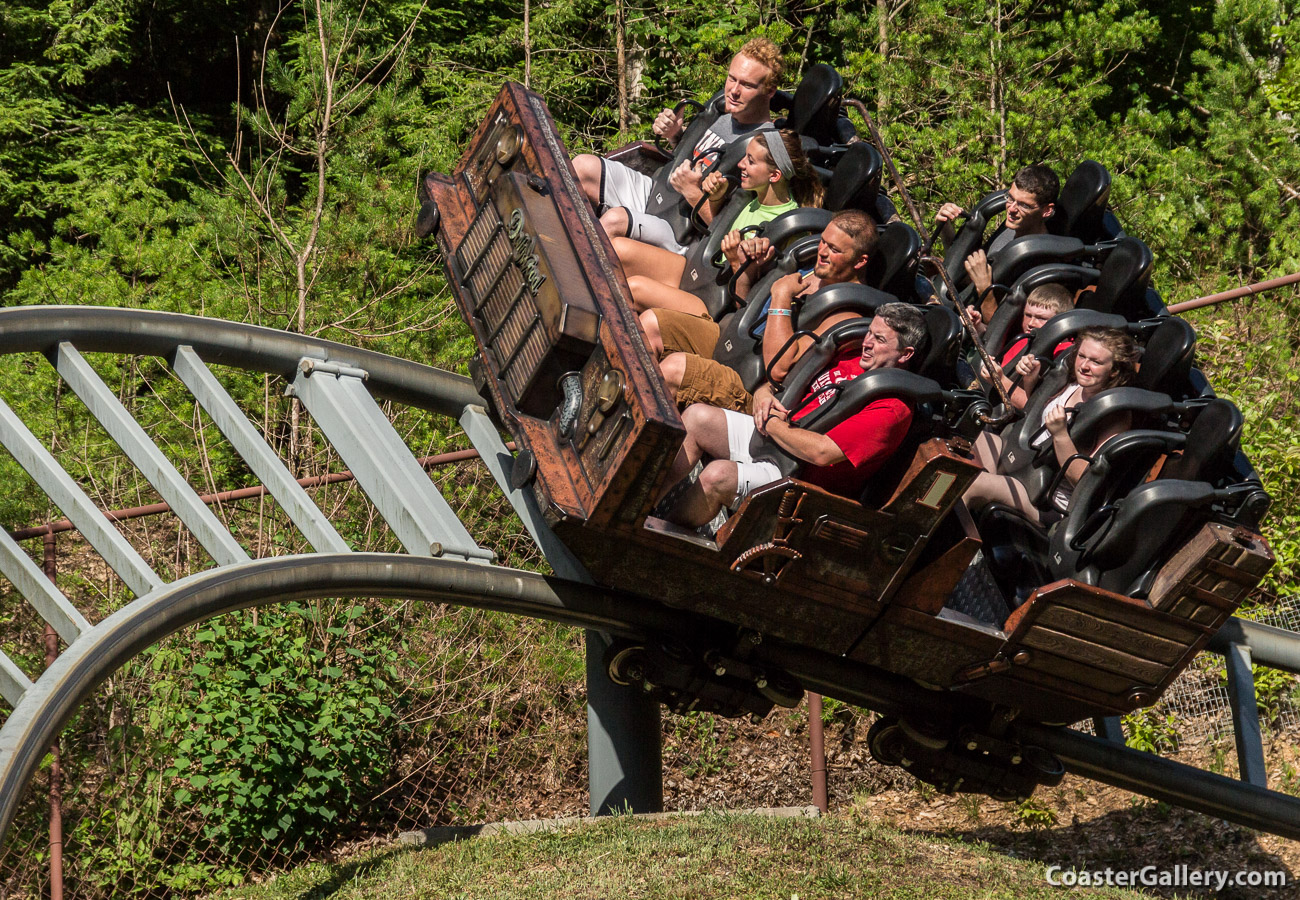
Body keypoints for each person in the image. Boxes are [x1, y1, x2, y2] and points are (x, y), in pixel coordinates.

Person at [660, 302, 926, 528]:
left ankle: (663, 533)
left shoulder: (893, 408)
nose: (867, 343)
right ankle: (647, 502)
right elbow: (780, 381)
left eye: (879, 340)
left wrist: (772, 425)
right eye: (869, 333)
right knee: (696, 418)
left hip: (797, 478)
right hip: (773, 438)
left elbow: (822, 453)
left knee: (717, 476)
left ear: (905, 354)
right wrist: (764, 396)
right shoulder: (851, 356)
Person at [648, 210, 878, 414]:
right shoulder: (813, 267)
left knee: (674, 369)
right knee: (652, 323)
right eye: (823, 241)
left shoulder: (845, 313)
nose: (823, 252)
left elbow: (778, 370)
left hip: (749, 384)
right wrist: (745, 267)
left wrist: (781, 296)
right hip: (734, 344)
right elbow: (744, 308)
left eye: (834, 249)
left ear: (860, 261)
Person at [572, 39, 783, 243]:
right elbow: (694, 157)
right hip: (658, 191)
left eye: (747, 85)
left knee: (614, 221)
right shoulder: (722, 111)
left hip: (681, 230)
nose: (734, 91)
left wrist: (692, 192)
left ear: (770, 91)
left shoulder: (761, 149)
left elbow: (728, 232)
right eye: (731, 78)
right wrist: (674, 134)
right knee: (581, 166)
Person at [616, 128, 822, 301]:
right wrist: (715, 198)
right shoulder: (750, 197)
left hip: (713, 298)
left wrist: (735, 261)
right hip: (698, 269)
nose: (740, 164)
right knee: (618, 249)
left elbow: (752, 300)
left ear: (774, 175)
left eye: (750, 161)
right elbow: (717, 229)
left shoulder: (787, 227)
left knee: (635, 288)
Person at [963, 326, 1140, 524]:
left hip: (1046, 497)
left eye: (1096, 362)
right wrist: (1031, 380)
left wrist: (1061, 436)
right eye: (1082, 356)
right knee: (964, 440)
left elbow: (1084, 480)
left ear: (1115, 371)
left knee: (969, 485)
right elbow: (1033, 418)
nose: (1084, 365)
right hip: (1024, 463)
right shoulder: (1075, 384)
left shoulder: (1114, 415)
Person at [934, 164, 1060, 313]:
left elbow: (1004, 327)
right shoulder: (1010, 228)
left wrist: (984, 287)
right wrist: (944, 226)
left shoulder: (1040, 262)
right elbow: (961, 273)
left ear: (1046, 211)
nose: (1011, 209)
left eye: (1024, 205)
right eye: (1010, 198)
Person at [983, 282, 1075, 410]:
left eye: (1041, 318)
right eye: (1027, 315)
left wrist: (1000, 380)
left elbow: (1034, 409)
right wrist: (977, 327)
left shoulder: (1064, 356)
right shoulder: (1025, 338)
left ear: (1060, 321)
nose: (1031, 323)